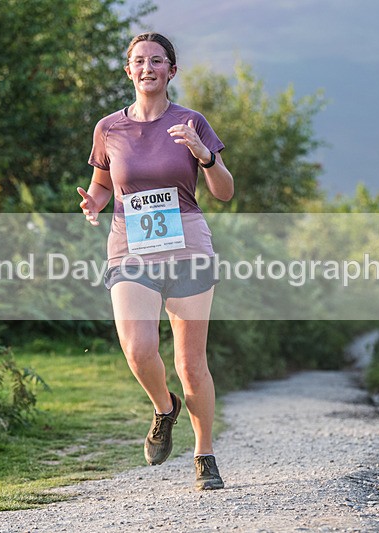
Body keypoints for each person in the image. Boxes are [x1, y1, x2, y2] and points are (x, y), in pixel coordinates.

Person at [77, 32, 234, 490]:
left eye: (157, 61)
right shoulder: (109, 128)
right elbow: (103, 183)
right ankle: (165, 409)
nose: (148, 68)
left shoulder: (192, 122)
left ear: (171, 70)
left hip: (188, 248)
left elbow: (224, 192)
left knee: (190, 365)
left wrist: (204, 156)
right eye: (139, 61)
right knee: (139, 350)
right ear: (129, 71)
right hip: (131, 249)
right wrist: (95, 202)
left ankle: (204, 454)